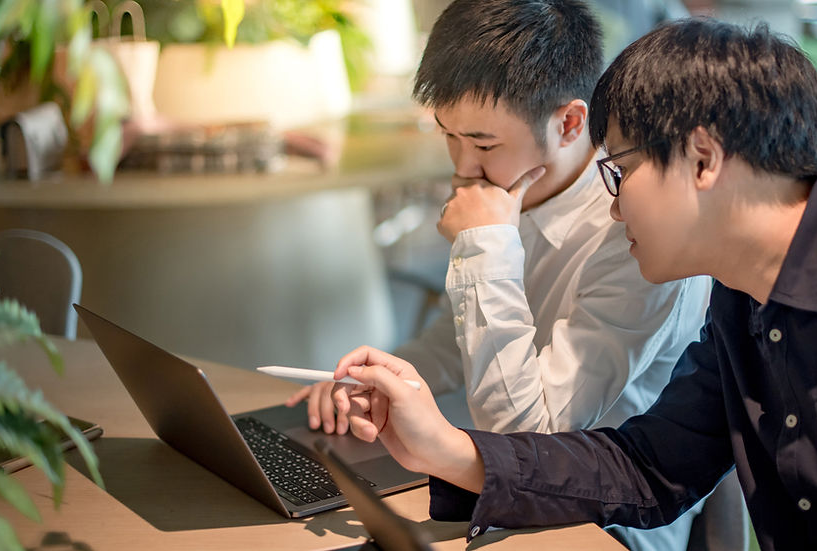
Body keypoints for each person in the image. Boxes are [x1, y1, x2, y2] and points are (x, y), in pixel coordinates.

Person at [326, 17, 817, 551]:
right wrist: (446, 449)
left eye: (621, 171)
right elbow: (650, 469)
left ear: (702, 158)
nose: (612, 207)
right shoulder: (740, 296)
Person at [287, 1, 713, 548]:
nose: (462, 167)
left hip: (597, 528)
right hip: (477, 491)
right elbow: (450, 338)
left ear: (569, 123)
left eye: (484, 144)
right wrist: (379, 386)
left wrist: (485, 248)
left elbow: (531, 444)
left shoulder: (634, 234)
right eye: (449, 136)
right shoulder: (502, 192)